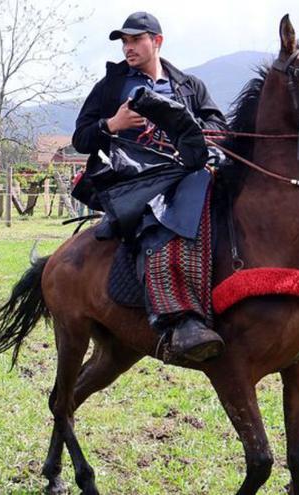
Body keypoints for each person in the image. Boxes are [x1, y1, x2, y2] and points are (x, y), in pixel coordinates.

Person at [72, 12, 228, 362]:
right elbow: (81, 137)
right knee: (159, 220)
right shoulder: (111, 86)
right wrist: (113, 123)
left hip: (188, 171)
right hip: (135, 177)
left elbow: (218, 124)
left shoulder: (188, 85)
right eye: (124, 42)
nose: (128, 47)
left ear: (156, 41)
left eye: (135, 40)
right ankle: (177, 318)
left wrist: (196, 136)